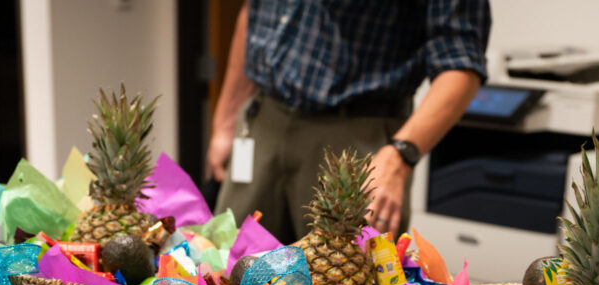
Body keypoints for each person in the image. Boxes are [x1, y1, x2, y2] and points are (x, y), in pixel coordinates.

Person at [207, 0, 491, 243]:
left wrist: (398, 159)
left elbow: (461, 64)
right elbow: (255, 12)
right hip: (262, 122)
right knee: (225, 273)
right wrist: (226, 119)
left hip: (354, 143)